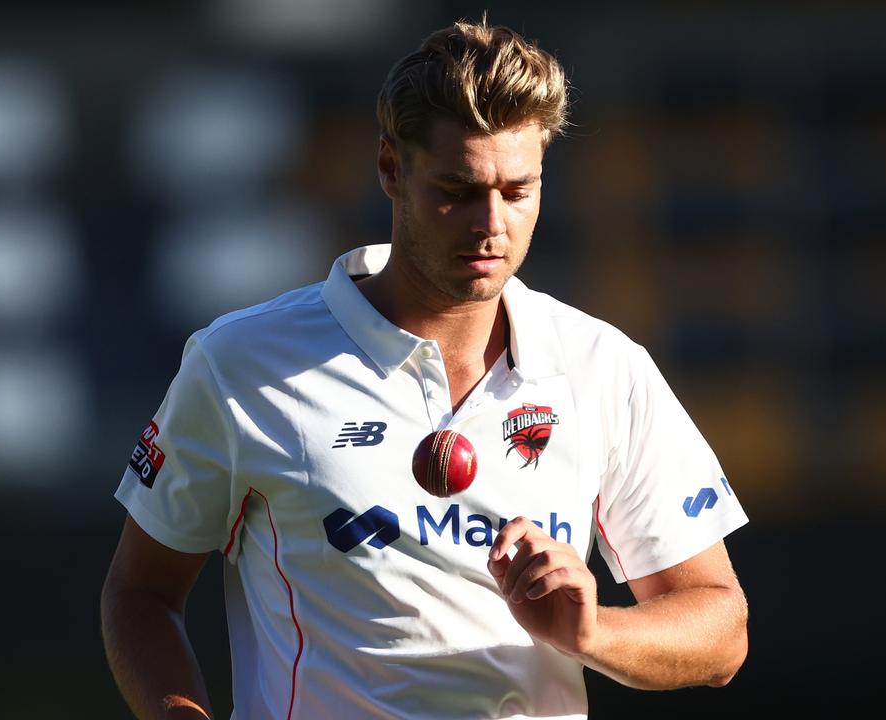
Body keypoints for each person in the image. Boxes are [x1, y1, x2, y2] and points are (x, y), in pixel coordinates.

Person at [101, 18, 749, 720]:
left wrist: (593, 632)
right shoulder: (243, 362)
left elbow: (720, 629)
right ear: (391, 168)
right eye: (458, 189)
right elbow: (140, 593)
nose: (491, 222)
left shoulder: (603, 367)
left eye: (517, 190)